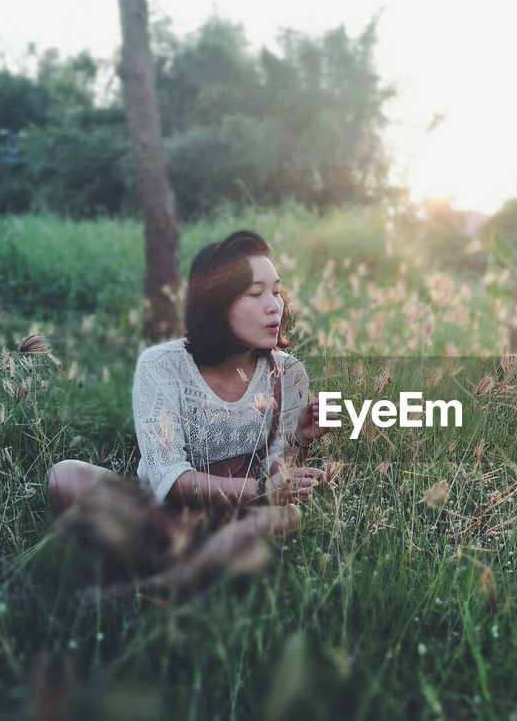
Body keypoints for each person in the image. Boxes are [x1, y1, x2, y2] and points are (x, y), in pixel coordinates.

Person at [46, 230, 329, 551]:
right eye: (255, 293)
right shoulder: (162, 365)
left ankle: (166, 573)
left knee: (287, 515)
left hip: (234, 515)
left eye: (276, 292)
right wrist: (262, 488)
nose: (274, 307)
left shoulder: (289, 372)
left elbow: (279, 478)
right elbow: (168, 478)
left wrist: (300, 439)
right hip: (158, 514)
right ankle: (195, 563)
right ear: (216, 303)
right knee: (63, 476)